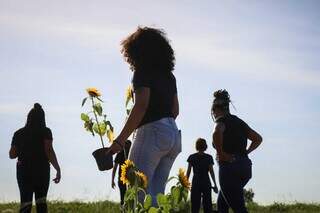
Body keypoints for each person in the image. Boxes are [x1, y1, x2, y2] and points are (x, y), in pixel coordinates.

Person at [109, 27, 181, 206]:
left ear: (136, 51)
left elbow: (141, 106)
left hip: (153, 131)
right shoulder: (169, 76)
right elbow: (175, 110)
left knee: (137, 192)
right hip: (172, 134)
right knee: (156, 196)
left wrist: (120, 141)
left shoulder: (142, 72)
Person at [211, 90, 262, 213]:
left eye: (213, 111)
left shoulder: (221, 121)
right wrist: (246, 152)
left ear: (216, 109)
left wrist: (221, 153)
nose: (213, 113)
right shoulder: (239, 122)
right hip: (245, 167)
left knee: (239, 209)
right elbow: (258, 139)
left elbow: (217, 132)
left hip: (229, 169)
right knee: (222, 205)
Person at [9, 103, 61, 213]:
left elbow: (12, 155)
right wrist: (57, 169)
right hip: (42, 170)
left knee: (25, 203)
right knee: (41, 203)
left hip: (24, 170)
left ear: (28, 118)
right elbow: (49, 151)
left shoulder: (18, 133)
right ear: (43, 118)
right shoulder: (46, 131)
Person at [187, 138, 218, 213]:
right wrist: (215, 184)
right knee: (207, 206)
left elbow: (188, 172)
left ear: (196, 146)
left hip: (196, 183)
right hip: (206, 183)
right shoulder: (209, 157)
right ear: (205, 146)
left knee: (195, 206)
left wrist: (185, 184)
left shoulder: (192, 157)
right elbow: (211, 172)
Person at [111, 140, 132, 205]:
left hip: (131, 180)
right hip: (122, 179)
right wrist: (112, 180)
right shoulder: (120, 153)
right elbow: (115, 168)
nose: (126, 147)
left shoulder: (131, 153)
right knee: (124, 199)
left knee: (129, 199)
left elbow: (115, 168)